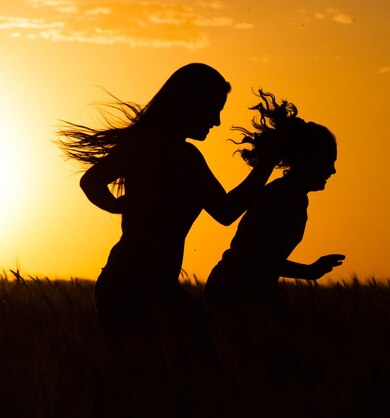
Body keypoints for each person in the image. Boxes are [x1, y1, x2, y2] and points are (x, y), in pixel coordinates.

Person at [57, 64, 277, 331]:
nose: (216, 121)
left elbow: (226, 212)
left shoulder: (190, 157)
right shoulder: (144, 145)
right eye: (213, 109)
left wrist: (266, 165)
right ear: (187, 103)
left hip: (162, 288)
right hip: (126, 286)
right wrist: (116, 205)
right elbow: (91, 181)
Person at [203, 90, 345, 309]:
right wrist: (308, 271)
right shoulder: (281, 197)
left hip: (249, 288)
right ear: (308, 160)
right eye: (328, 161)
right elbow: (255, 260)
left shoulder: (293, 196)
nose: (333, 170)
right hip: (235, 290)